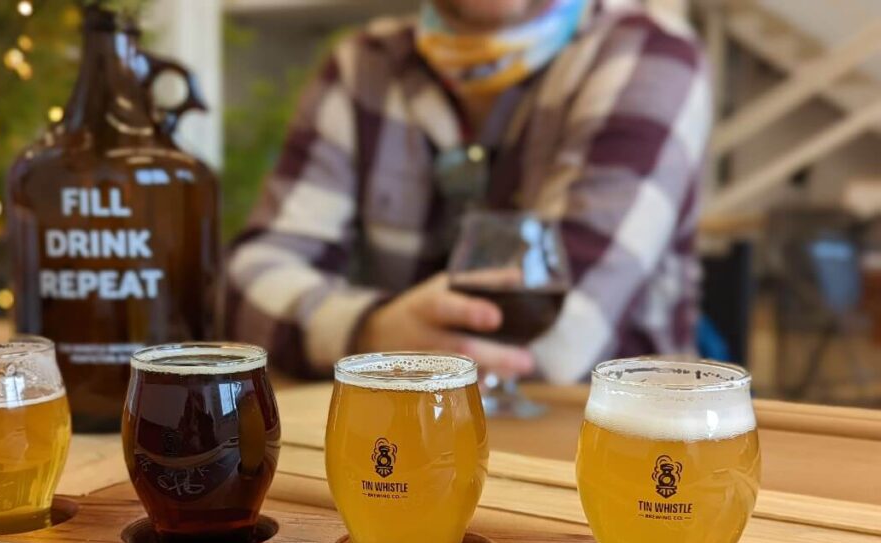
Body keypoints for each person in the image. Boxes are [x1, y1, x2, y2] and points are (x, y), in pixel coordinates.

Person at [226, 0, 710, 382]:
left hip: (614, 455)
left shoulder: (649, 55)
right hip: (411, 440)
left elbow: (561, 343)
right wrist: (373, 328)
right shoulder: (361, 66)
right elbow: (245, 286)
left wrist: (363, 345)